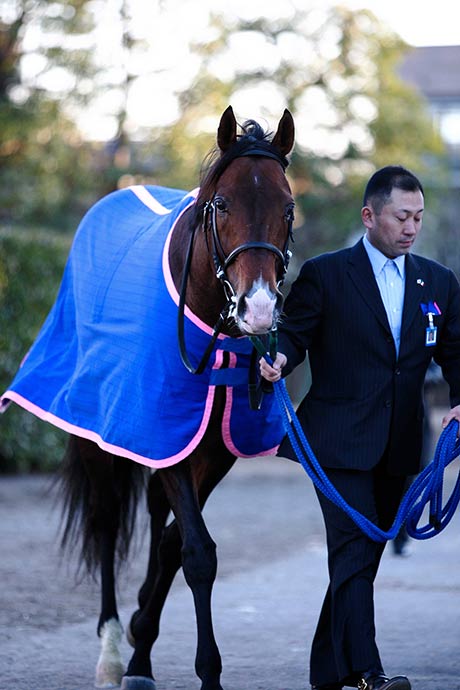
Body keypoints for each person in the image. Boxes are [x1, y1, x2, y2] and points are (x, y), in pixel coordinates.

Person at [260, 166, 460, 690]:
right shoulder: (327, 274)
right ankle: (369, 674)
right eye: (401, 216)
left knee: (362, 557)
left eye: (418, 217)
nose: (411, 227)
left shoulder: (437, 282)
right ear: (369, 216)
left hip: (401, 445)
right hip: (336, 442)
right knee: (352, 549)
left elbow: (456, 352)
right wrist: (278, 358)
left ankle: (327, 671)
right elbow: (295, 334)